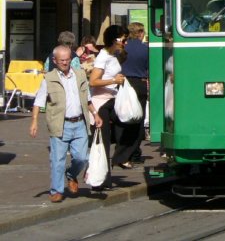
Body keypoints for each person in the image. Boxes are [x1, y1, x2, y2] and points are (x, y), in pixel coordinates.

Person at [29, 38, 103, 203]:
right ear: (54, 61)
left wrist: (95, 114)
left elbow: (87, 98)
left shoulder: (80, 75)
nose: (65, 62)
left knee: (82, 158)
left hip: (79, 124)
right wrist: (34, 121)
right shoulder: (48, 79)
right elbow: (38, 102)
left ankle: (71, 174)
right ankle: (56, 190)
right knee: (58, 160)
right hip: (60, 124)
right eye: (61, 60)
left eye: (67, 59)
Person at [89, 25, 127, 185]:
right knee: (102, 141)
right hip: (101, 102)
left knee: (129, 124)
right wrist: (113, 80)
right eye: (123, 39)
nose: (125, 42)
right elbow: (93, 81)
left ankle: (120, 157)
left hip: (113, 99)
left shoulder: (113, 54)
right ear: (115, 40)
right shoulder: (103, 56)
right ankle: (101, 179)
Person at [116, 22, 149, 166]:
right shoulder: (146, 49)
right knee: (138, 118)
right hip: (140, 84)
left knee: (122, 117)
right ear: (140, 33)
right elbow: (149, 68)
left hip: (123, 83)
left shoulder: (122, 49)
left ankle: (122, 149)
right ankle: (134, 152)